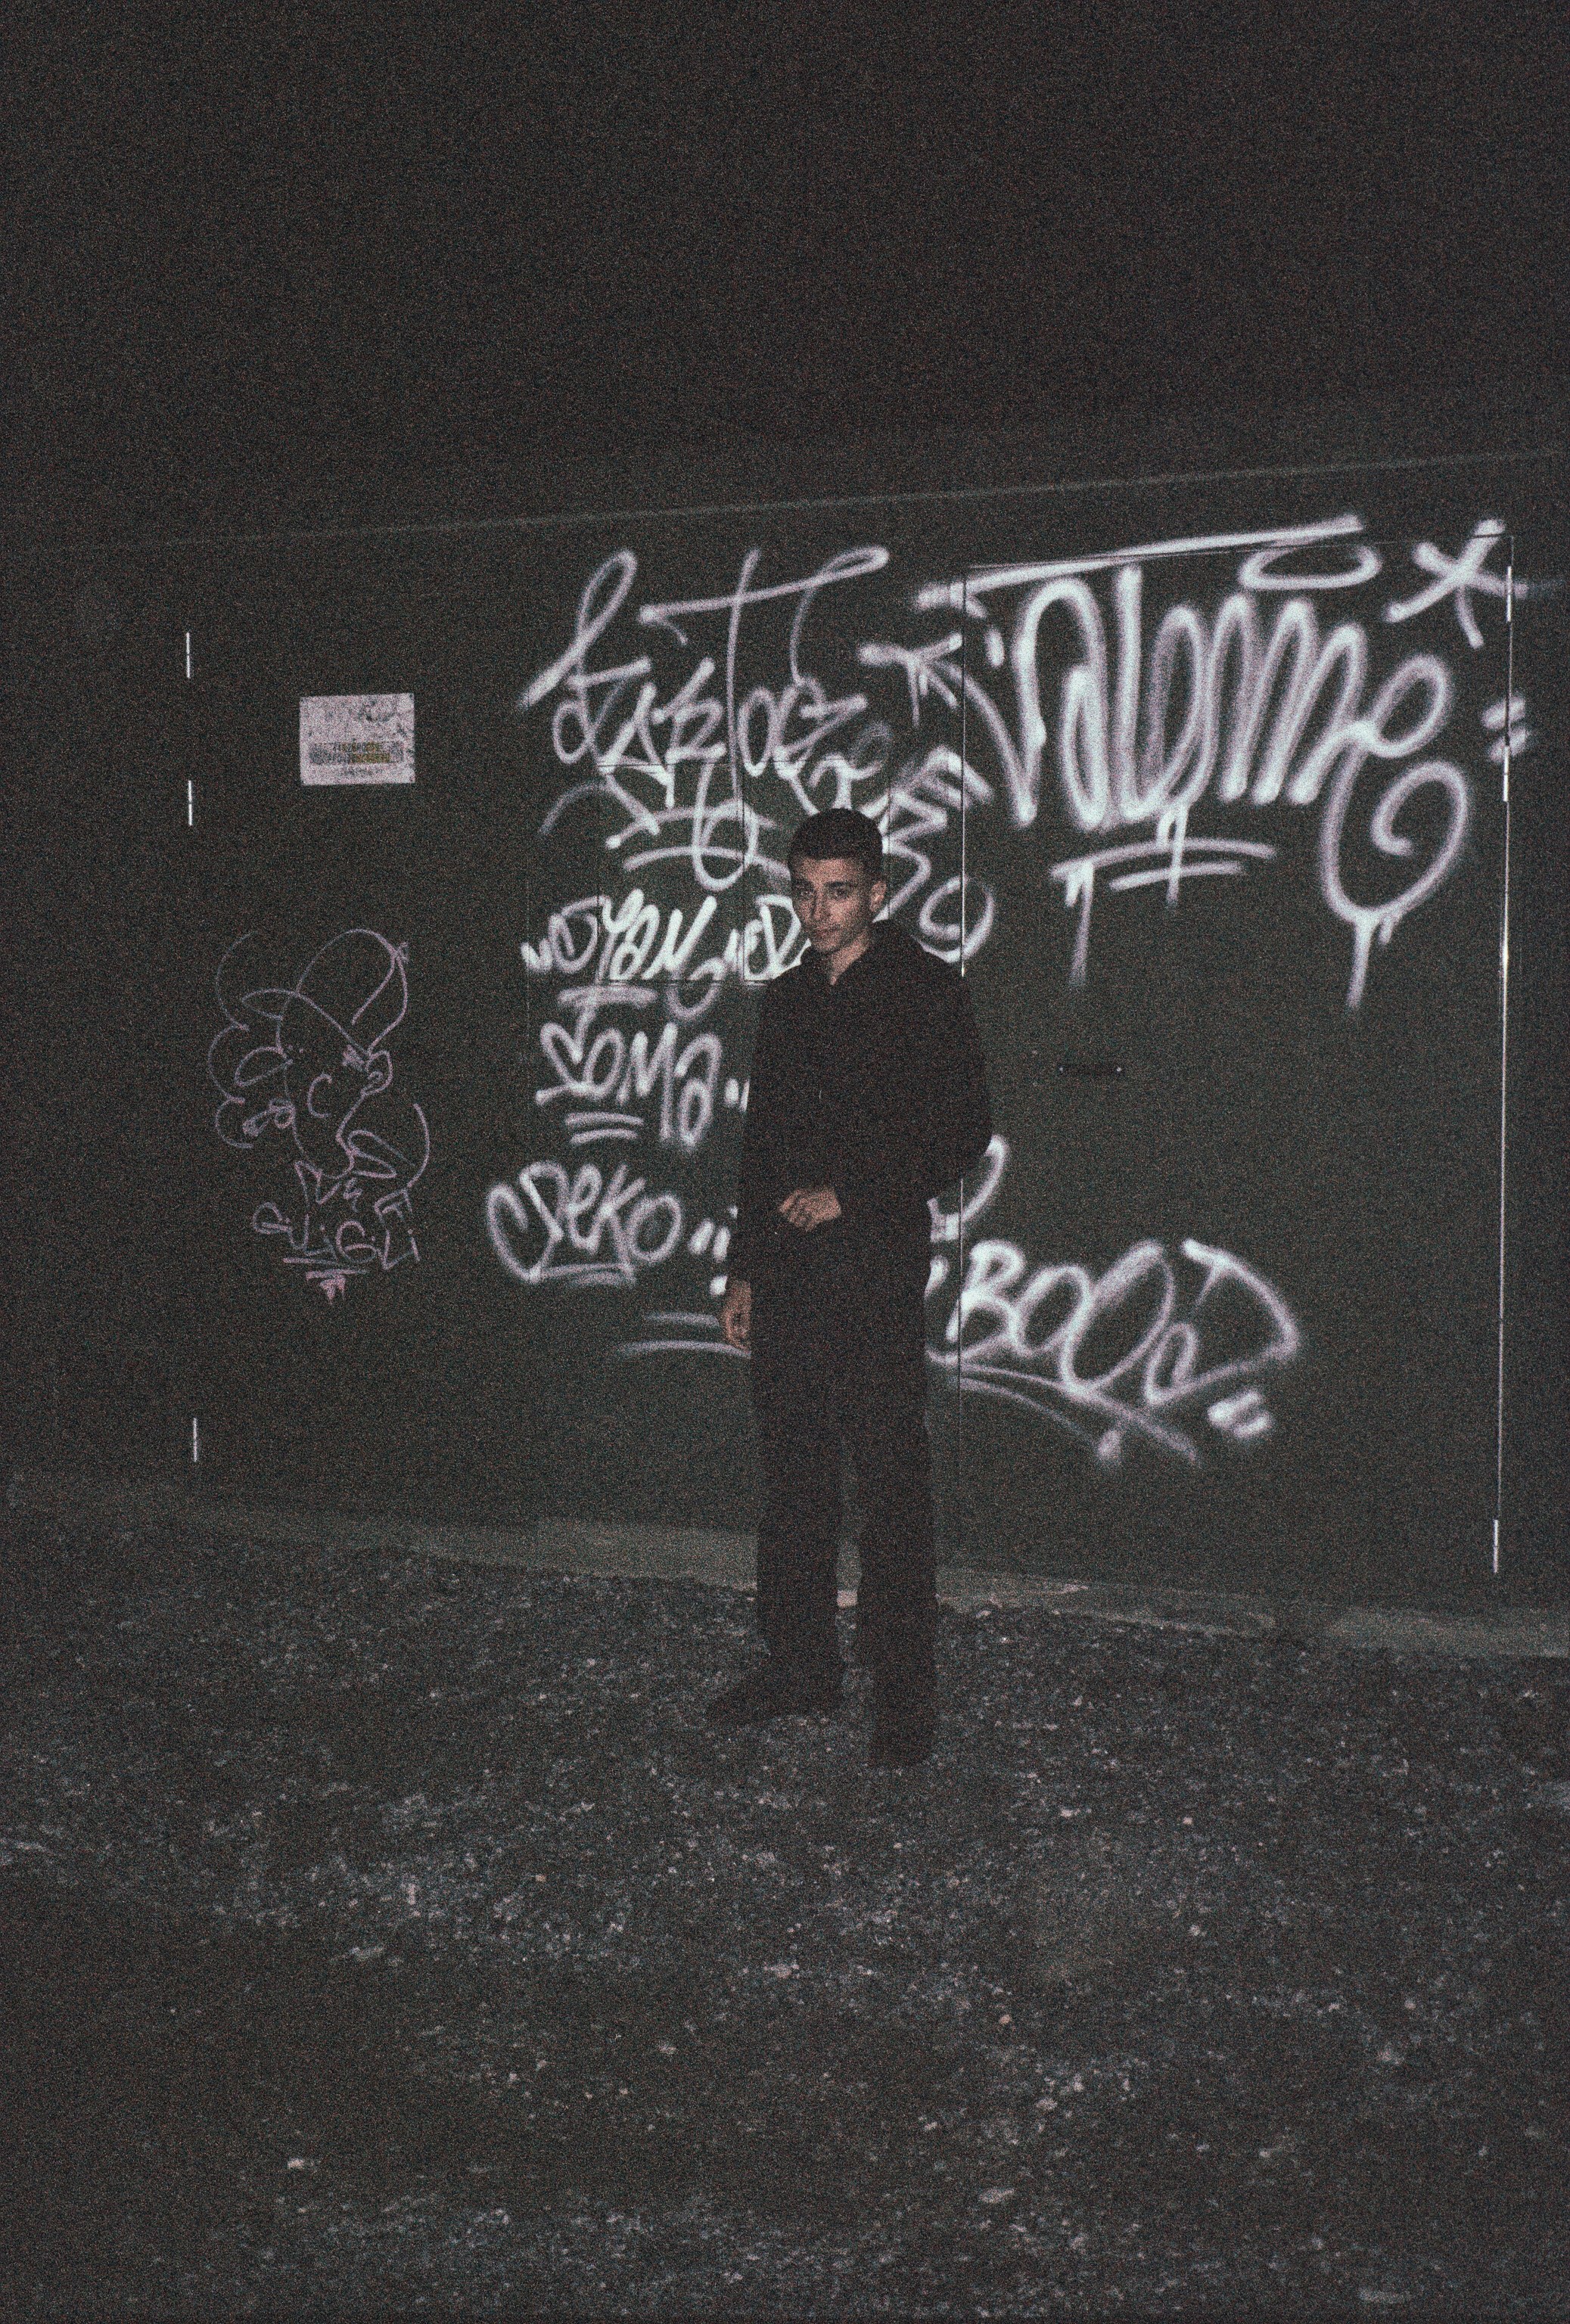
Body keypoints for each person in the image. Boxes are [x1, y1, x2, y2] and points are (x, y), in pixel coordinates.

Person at [707, 808, 993, 1766]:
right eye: (802, 890)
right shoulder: (787, 999)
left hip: (870, 1271)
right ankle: (797, 1665)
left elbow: (961, 1131)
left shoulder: (923, 991)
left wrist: (849, 1195)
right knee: (791, 1473)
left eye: (836, 891)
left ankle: (902, 1697)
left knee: (888, 1476)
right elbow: (759, 1146)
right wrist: (743, 1267)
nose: (816, 911)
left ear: (876, 891)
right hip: (786, 1276)